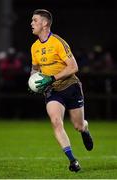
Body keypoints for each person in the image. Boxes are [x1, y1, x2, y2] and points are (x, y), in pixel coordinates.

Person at [30, 9, 93, 172]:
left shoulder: (58, 42)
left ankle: (85, 129)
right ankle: (73, 161)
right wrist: (34, 81)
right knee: (56, 121)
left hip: (70, 86)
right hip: (53, 90)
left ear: (45, 23)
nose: (31, 23)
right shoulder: (34, 47)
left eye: (34, 20)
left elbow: (74, 67)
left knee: (78, 125)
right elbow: (35, 69)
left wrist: (51, 78)